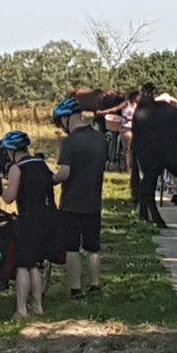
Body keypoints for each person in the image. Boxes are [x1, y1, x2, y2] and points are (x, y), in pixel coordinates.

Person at [52, 97, 107, 299]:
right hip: (93, 201)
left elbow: (64, 172)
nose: (61, 127)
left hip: (71, 203)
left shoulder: (70, 142)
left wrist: (52, 179)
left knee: (72, 248)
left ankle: (76, 289)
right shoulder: (100, 138)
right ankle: (95, 285)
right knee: (93, 248)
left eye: (60, 122)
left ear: (68, 119)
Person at [0, 131, 56, 318]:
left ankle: (21, 310)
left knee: (23, 265)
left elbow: (9, 198)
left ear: (13, 152)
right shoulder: (41, 164)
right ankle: (38, 306)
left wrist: (0, 185)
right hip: (47, 218)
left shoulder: (17, 168)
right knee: (35, 265)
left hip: (29, 219)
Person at [96, 89, 140, 173]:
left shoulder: (136, 105)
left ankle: (130, 166)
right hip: (125, 127)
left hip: (134, 128)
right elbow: (115, 109)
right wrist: (103, 112)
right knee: (127, 149)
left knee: (133, 149)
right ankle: (127, 168)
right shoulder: (126, 103)